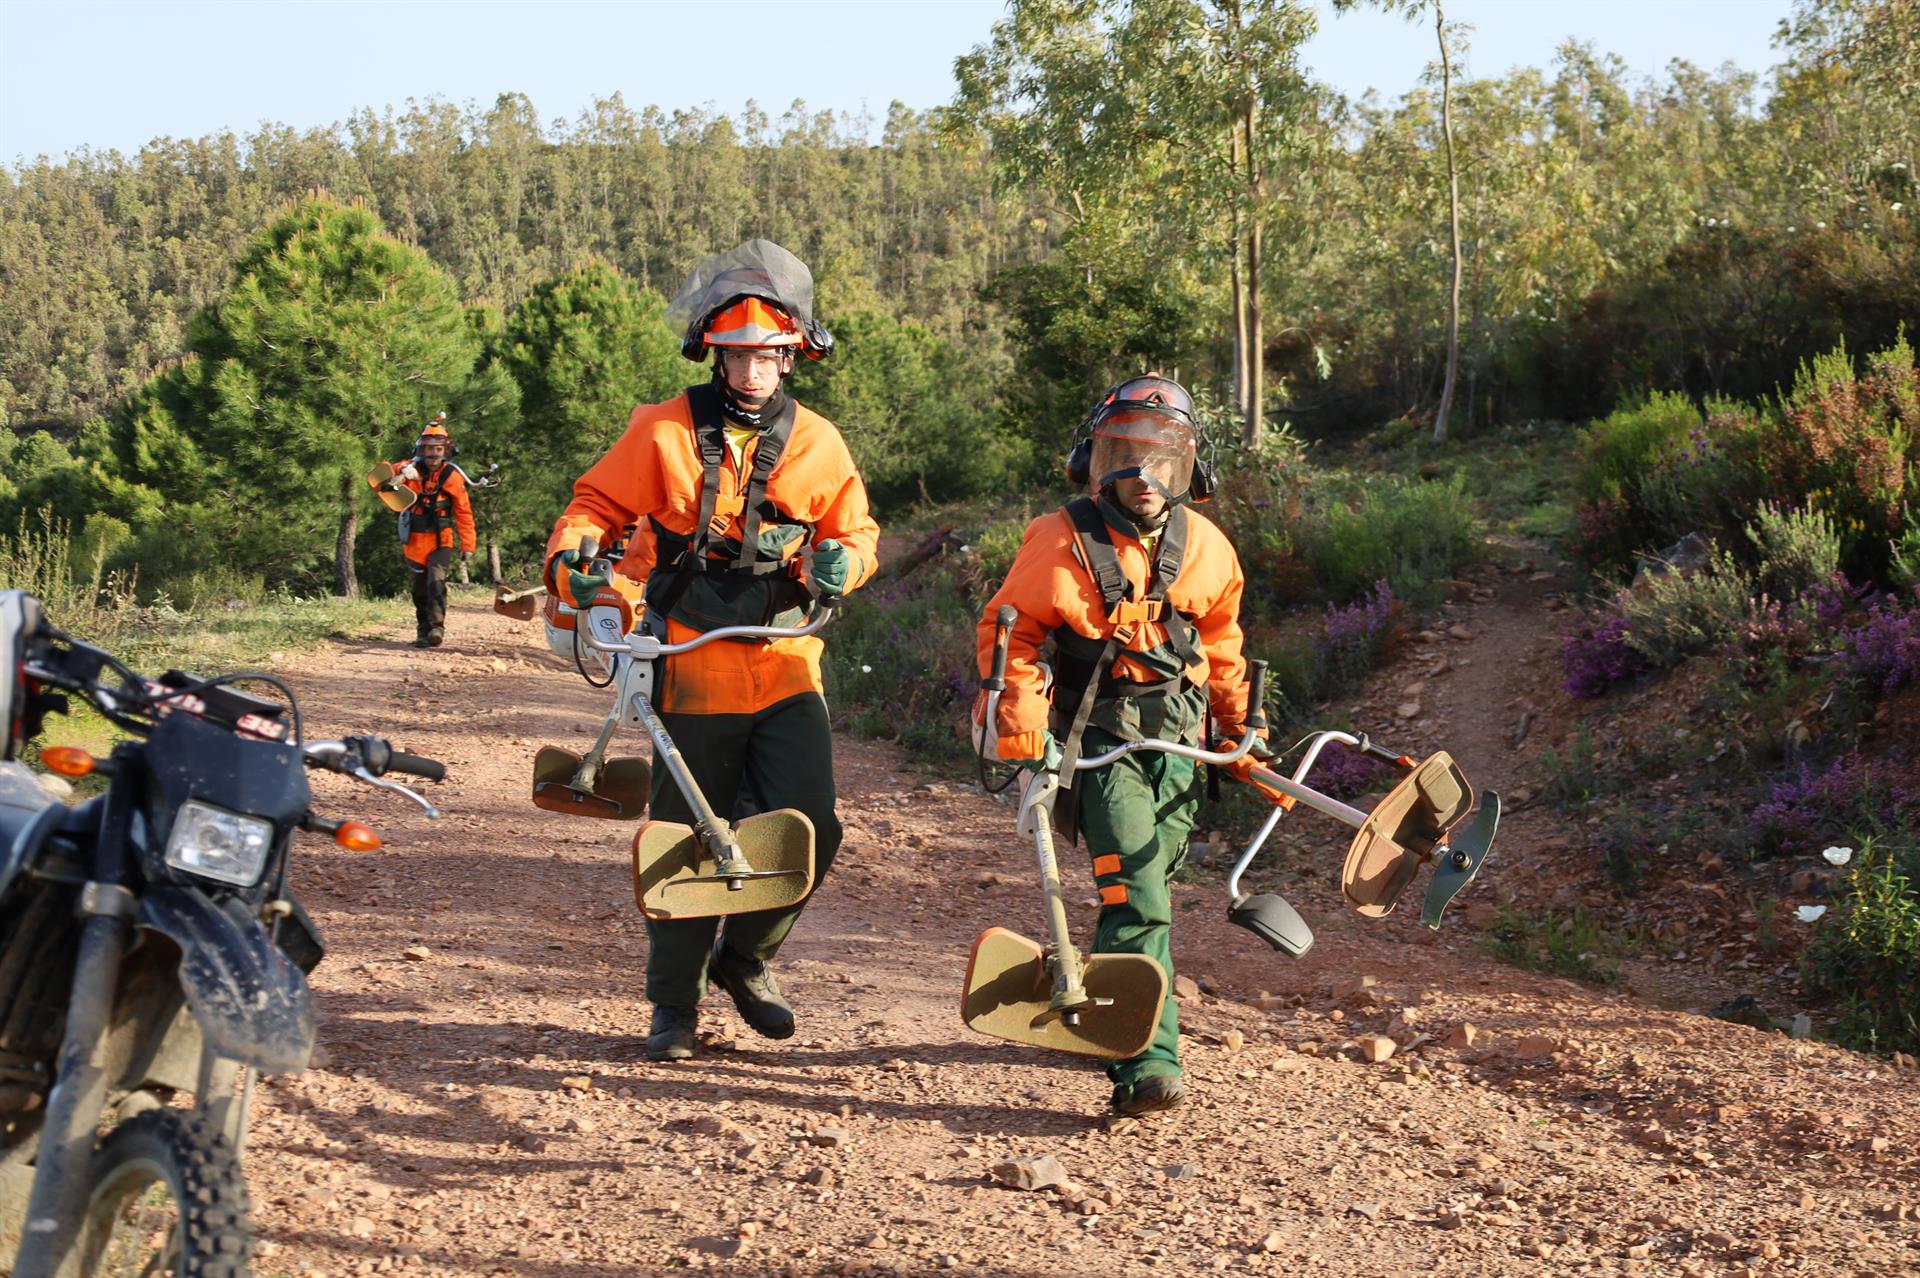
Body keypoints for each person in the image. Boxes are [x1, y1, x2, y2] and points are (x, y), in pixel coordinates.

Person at [544, 240, 879, 1062]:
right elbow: (593, 507)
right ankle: (673, 1008)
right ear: (715, 355)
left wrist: (847, 563)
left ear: (793, 356)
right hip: (689, 654)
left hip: (785, 656)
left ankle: (748, 959)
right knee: (688, 830)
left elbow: (856, 534)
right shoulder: (659, 431)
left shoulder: (821, 445)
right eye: (738, 356)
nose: (754, 372)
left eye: (769, 356)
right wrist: (575, 563)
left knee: (815, 826)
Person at [974, 374, 1269, 1116]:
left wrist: (1242, 733)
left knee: (1148, 888)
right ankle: (1146, 1062)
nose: (1142, 476)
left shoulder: (1208, 548)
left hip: (1181, 747)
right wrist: (1022, 732)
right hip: (1099, 741)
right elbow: (1011, 637)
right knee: (1138, 892)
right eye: (1123, 456)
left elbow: (1225, 650)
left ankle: (1094, 990)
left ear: (1188, 468)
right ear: (1095, 460)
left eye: (1161, 459)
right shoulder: (1059, 539)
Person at [389, 415, 477, 649]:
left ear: (446, 450)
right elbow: (383, 479)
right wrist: (401, 469)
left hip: (441, 539)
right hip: (415, 539)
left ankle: (437, 627)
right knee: (419, 587)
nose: (433, 454)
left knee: (436, 582)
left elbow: (464, 513)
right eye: (429, 449)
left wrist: (468, 545)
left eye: (438, 449)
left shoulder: (452, 477)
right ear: (422, 449)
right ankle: (423, 630)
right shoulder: (410, 471)